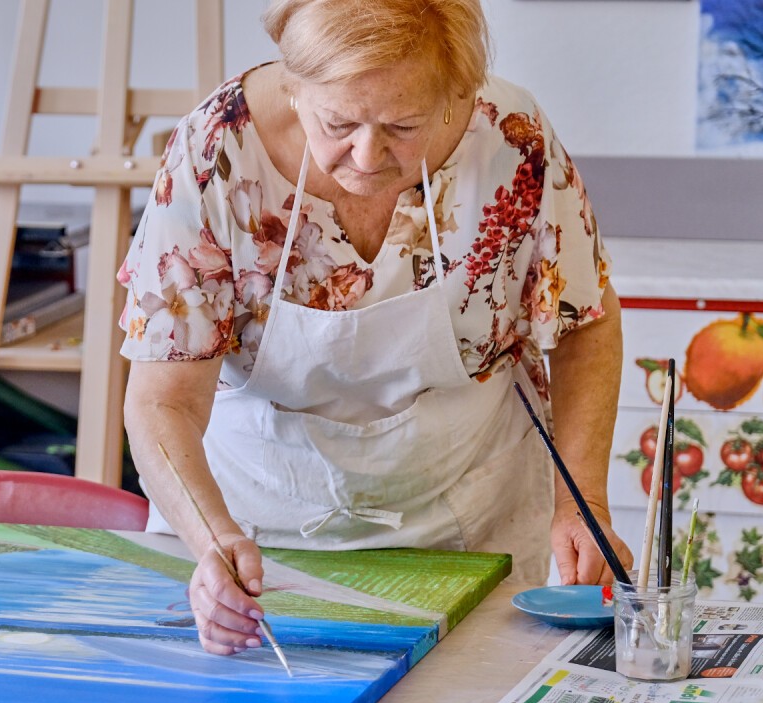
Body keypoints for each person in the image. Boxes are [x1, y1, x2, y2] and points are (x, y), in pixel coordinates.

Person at [117, 0, 634, 657]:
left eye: (403, 125)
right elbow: (163, 399)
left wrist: (582, 500)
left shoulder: (508, 135)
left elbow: (584, 320)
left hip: (470, 519)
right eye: (337, 122)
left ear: (459, 96)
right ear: (293, 84)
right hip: (253, 530)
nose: (365, 155)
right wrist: (212, 540)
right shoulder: (217, 150)